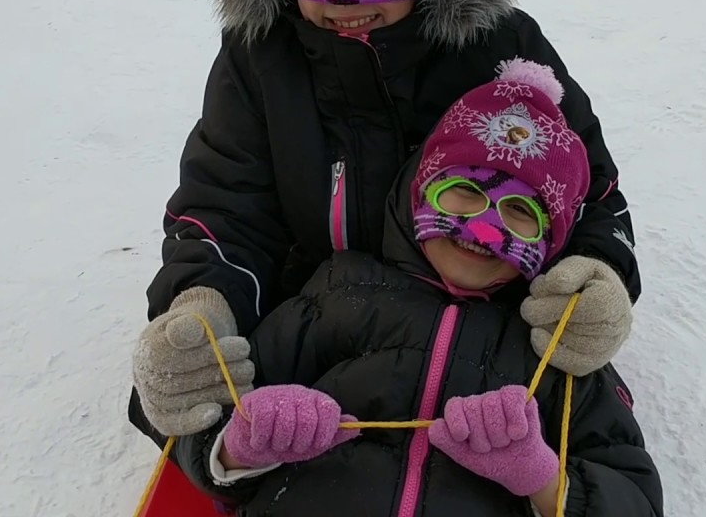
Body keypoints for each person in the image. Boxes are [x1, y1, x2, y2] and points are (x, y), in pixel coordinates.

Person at [130, 0, 642, 445]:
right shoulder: (261, 61)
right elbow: (225, 205)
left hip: (480, 327)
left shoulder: (497, 46)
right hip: (317, 330)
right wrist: (204, 307)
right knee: (201, 423)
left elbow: (587, 191)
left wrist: (596, 276)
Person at [173, 60, 664, 516]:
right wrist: (240, 446)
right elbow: (203, 420)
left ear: (551, 240)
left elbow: (631, 491)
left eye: (521, 212)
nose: (484, 230)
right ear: (419, 192)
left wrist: (542, 477)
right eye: (465, 192)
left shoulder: (553, 350)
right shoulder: (337, 294)